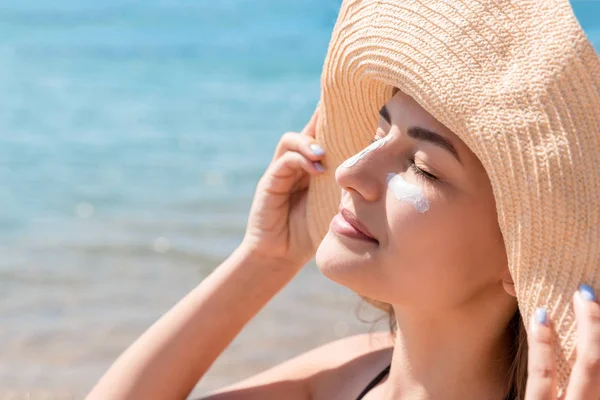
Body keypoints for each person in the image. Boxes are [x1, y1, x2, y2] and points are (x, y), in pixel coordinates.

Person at [87, 0, 600, 399]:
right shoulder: (350, 376)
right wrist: (264, 260)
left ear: (521, 258)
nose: (351, 171)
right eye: (380, 133)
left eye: (421, 167)